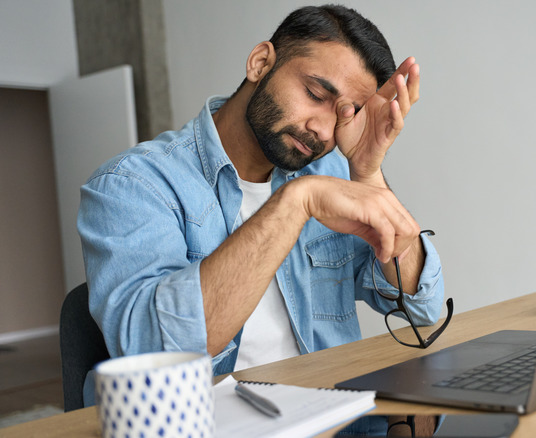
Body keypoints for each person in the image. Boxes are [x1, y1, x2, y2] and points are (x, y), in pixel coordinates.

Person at [77, 4, 445, 406]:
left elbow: (422, 307)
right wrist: (296, 203)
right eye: (315, 94)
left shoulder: (330, 173)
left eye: (346, 113)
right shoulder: (133, 184)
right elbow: (153, 353)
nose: (323, 130)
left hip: (331, 417)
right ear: (260, 63)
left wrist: (368, 172)